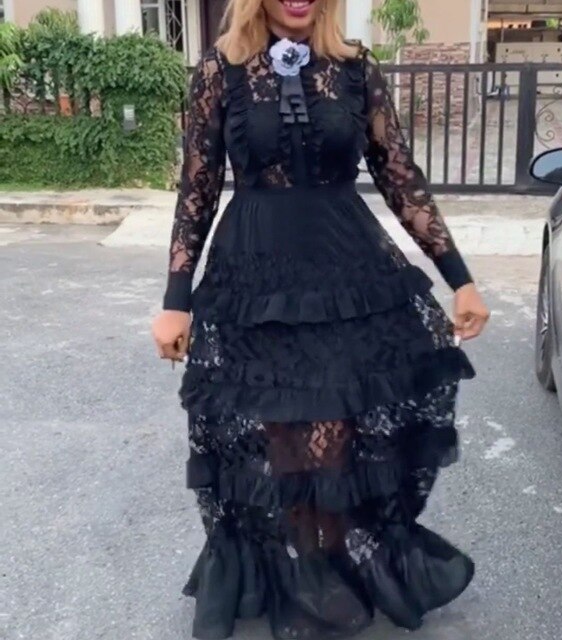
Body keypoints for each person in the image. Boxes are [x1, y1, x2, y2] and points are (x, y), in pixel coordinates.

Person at [152, 0, 490, 638]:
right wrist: (176, 297)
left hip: (345, 271)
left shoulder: (356, 68)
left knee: (336, 427)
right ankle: (302, 568)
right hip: (253, 276)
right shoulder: (219, 70)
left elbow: (399, 175)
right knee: (280, 430)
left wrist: (460, 277)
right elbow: (197, 187)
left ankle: (332, 565)